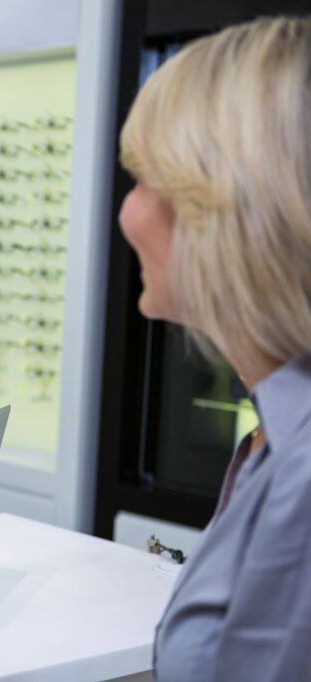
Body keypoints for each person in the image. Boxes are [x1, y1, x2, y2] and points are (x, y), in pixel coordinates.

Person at [117, 16, 311, 680]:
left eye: (145, 181)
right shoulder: (273, 439)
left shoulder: (303, 474)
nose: (127, 214)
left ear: (227, 207)